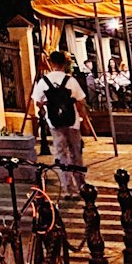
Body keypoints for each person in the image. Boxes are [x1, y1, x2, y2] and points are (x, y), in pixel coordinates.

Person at [32, 50, 87, 197]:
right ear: (64, 64)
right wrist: (84, 119)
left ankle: (67, 188)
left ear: (51, 63)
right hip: (72, 122)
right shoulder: (71, 80)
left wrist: (45, 107)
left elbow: (37, 101)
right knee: (76, 153)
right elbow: (81, 100)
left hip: (54, 122)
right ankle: (81, 185)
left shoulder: (44, 81)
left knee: (61, 153)